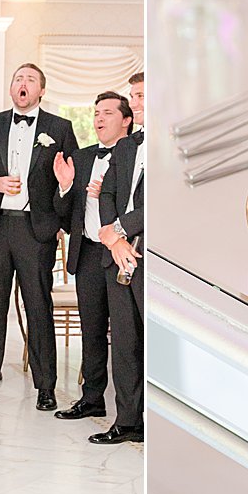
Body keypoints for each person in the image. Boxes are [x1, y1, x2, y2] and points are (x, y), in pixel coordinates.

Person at [0, 64, 78, 409]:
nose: (23, 84)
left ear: (41, 91)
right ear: (11, 88)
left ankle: (46, 387)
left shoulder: (60, 128)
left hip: (36, 231)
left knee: (38, 307)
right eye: (18, 79)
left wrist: (63, 192)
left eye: (30, 80)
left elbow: (70, 176)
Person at [51, 92, 134, 422]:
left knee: (128, 334)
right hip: (86, 252)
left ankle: (131, 410)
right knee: (92, 329)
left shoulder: (135, 157)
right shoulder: (83, 158)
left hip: (122, 253)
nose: (99, 119)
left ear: (126, 119)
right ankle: (92, 398)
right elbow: (64, 214)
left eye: (108, 113)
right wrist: (66, 187)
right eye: (96, 113)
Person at [94, 127, 144, 444]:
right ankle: (127, 422)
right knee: (124, 343)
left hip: (153, 254)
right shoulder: (126, 146)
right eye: (135, 96)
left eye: (143, 95)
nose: (138, 102)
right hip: (118, 254)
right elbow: (108, 193)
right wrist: (114, 240)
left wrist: (119, 229)